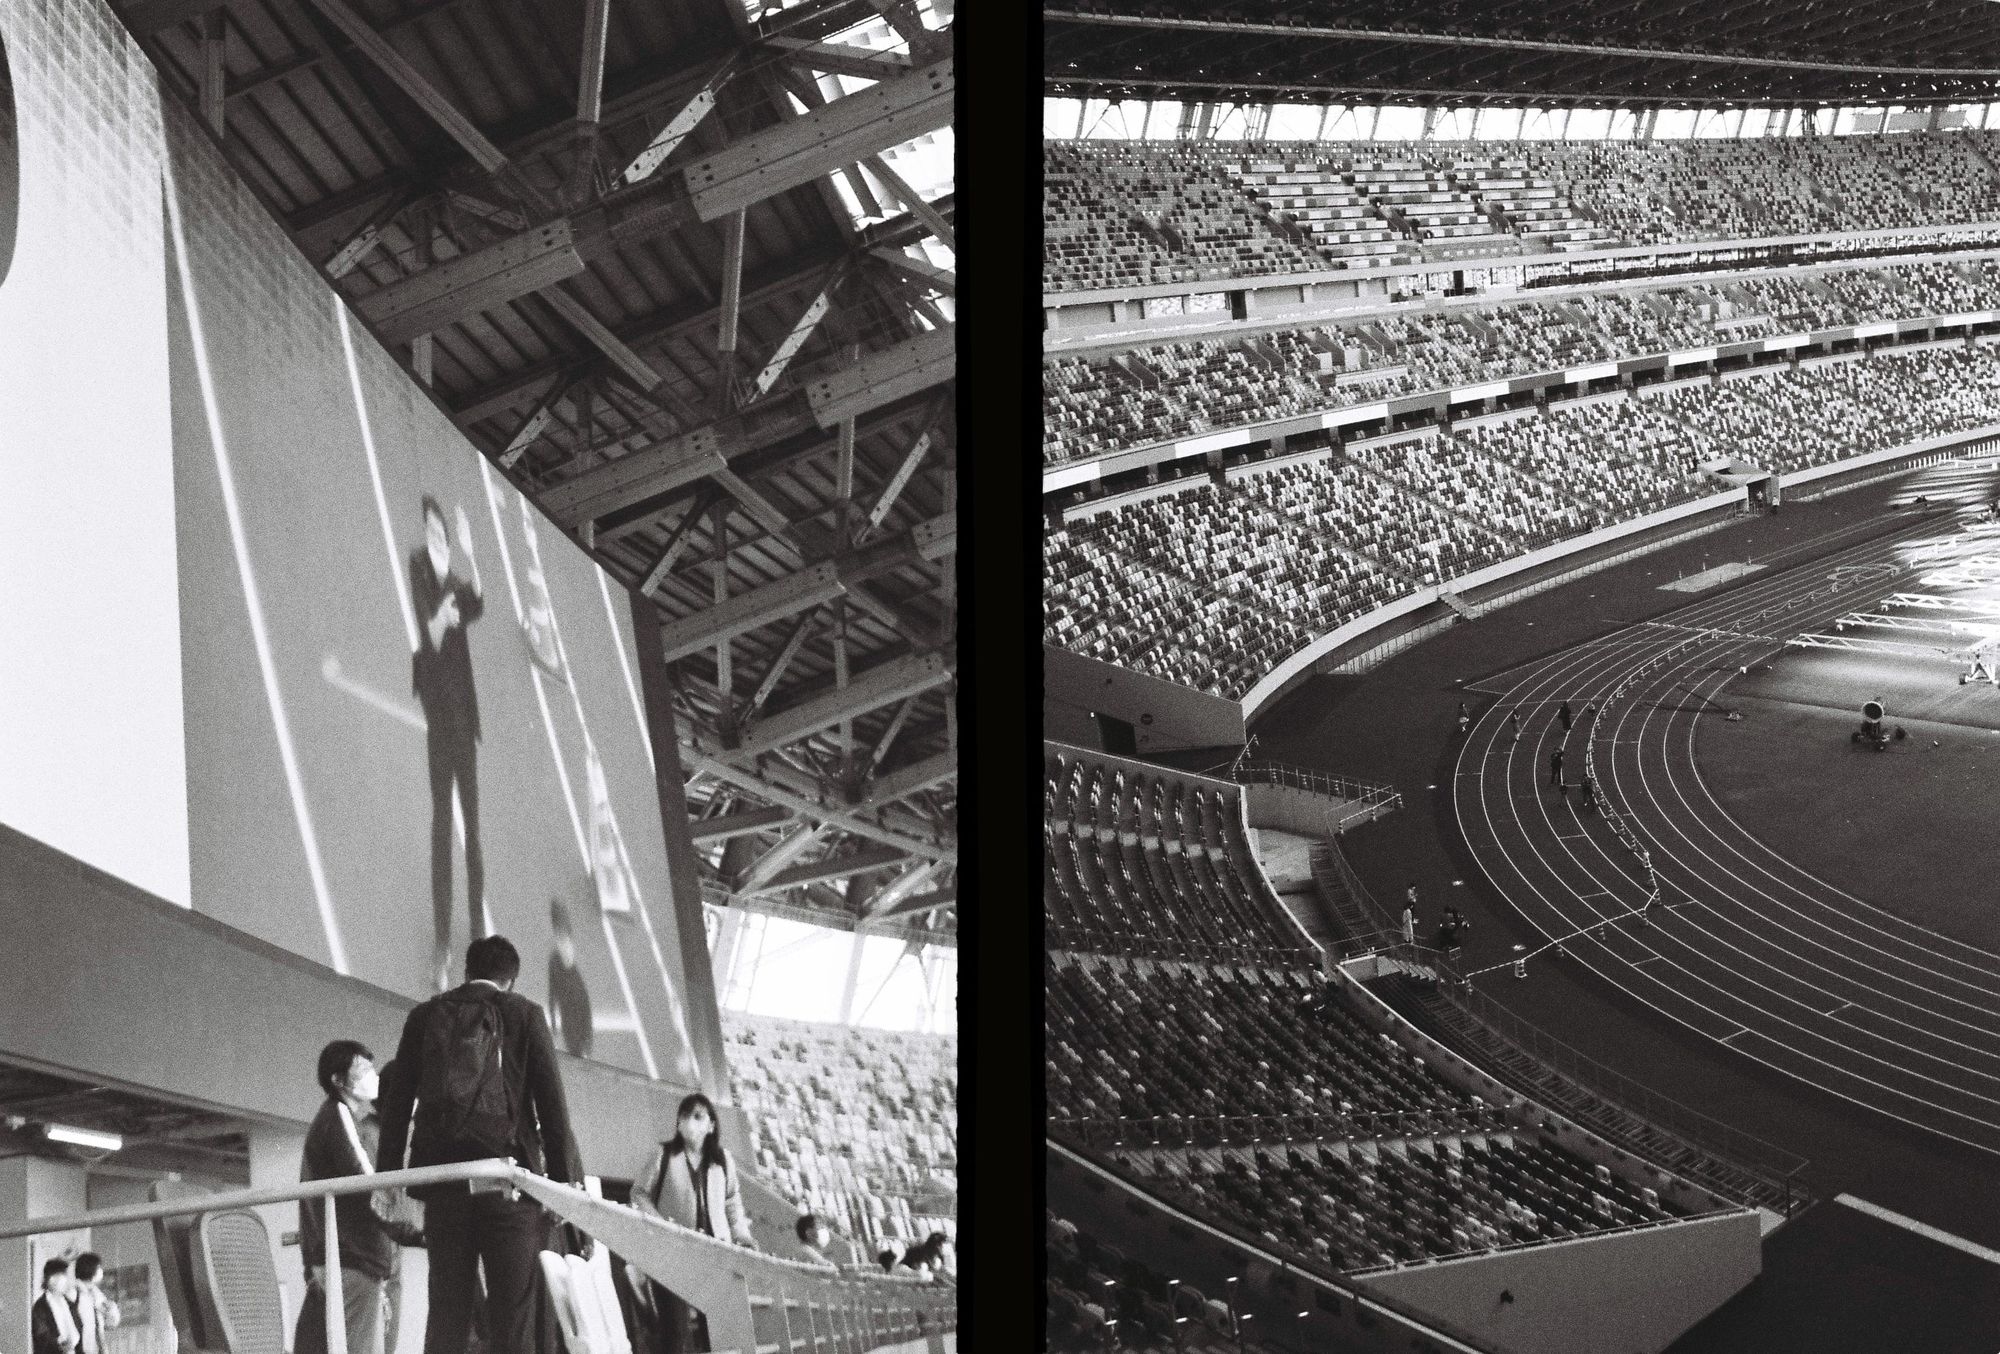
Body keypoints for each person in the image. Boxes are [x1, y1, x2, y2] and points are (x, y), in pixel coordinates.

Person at [377, 936, 581, 1354]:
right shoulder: (524, 1014)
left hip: (444, 1186)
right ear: (510, 979)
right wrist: (564, 1184)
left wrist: (388, 1179)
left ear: (467, 972)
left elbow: (397, 1105)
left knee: (448, 1311)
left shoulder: (424, 1016)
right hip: (507, 1186)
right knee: (513, 1315)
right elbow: (553, 1109)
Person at [298, 1041, 422, 1354]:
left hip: (350, 1258)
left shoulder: (344, 1119)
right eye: (363, 1070)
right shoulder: (338, 1115)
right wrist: (413, 1234)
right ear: (339, 1081)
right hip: (351, 1259)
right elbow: (367, 1185)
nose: (372, 1077)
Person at [410, 495, 487, 994]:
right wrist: (445, 615)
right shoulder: (419, 568)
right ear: (426, 533)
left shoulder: (458, 581)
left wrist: (472, 554)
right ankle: (443, 938)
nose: (439, 541)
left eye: (444, 536)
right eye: (433, 532)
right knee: (443, 823)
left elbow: (479, 603)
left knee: (473, 826)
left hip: (465, 714)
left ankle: (477, 934)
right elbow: (430, 631)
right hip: (439, 713)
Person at [630, 1093, 758, 1353]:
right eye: (685, 1116)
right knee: (675, 1332)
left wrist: (741, 1234)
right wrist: (660, 1225)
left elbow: (732, 1202)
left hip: (715, 1256)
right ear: (678, 1123)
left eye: (698, 1116)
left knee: (718, 1331)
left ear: (711, 1125)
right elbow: (638, 1193)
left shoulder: (722, 1160)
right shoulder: (663, 1154)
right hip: (673, 1255)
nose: (690, 1121)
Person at [546, 897, 593, 1059]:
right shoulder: (557, 963)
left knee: (575, 1051)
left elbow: (553, 994)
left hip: (571, 1019)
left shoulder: (558, 963)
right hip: (571, 1019)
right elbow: (553, 994)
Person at [68, 1255, 119, 1354]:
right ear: (90, 1269)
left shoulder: (97, 1294)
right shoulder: (73, 1293)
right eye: (99, 1267)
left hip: (96, 1347)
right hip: (80, 1348)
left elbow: (111, 1323)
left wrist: (111, 1310)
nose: (101, 1271)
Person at [31, 1260, 76, 1354]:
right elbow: (41, 1335)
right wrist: (59, 1344)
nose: (68, 1281)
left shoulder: (70, 1303)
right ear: (50, 1279)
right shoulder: (41, 1306)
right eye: (64, 1276)